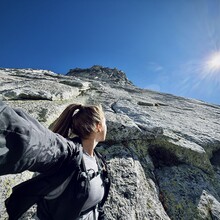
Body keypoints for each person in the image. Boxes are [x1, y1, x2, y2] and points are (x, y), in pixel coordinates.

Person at [0, 100, 110, 220]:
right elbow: (31, 139)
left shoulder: (98, 159)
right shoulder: (68, 155)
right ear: (99, 126)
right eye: (105, 122)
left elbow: (96, 205)